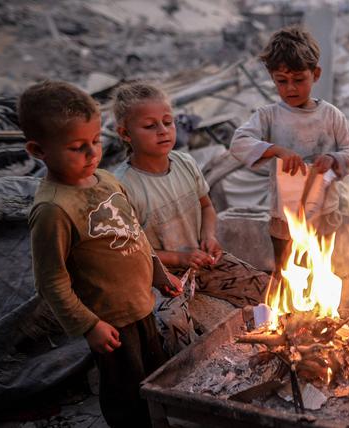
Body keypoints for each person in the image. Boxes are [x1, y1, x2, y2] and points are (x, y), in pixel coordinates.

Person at [21, 81, 182, 427]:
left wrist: (158, 274)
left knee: (154, 377)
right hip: (110, 321)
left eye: (95, 142)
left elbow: (134, 233)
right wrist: (90, 325)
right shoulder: (53, 209)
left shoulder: (107, 180)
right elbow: (50, 280)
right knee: (124, 392)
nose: (92, 154)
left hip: (142, 305)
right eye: (78, 147)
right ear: (38, 149)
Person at [111, 82, 270, 354]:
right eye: (150, 126)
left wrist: (209, 236)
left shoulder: (185, 163)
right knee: (172, 325)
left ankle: (270, 343)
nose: (163, 131)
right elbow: (131, 253)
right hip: (159, 275)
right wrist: (178, 258)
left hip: (201, 260)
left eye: (168, 122)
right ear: (125, 133)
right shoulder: (122, 186)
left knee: (263, 286)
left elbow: (207, 206)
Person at [230, 26, 349, 269]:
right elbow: (238, 143)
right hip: (284, 218)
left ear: (316, 74)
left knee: (320, 274)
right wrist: (276, 150)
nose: (290, 88)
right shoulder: (268, 116)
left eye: (299, 80)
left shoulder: (331, 115)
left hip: (325, 214)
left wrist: (333, 158)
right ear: (272, 78)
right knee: (287, 275)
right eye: (282, 81)